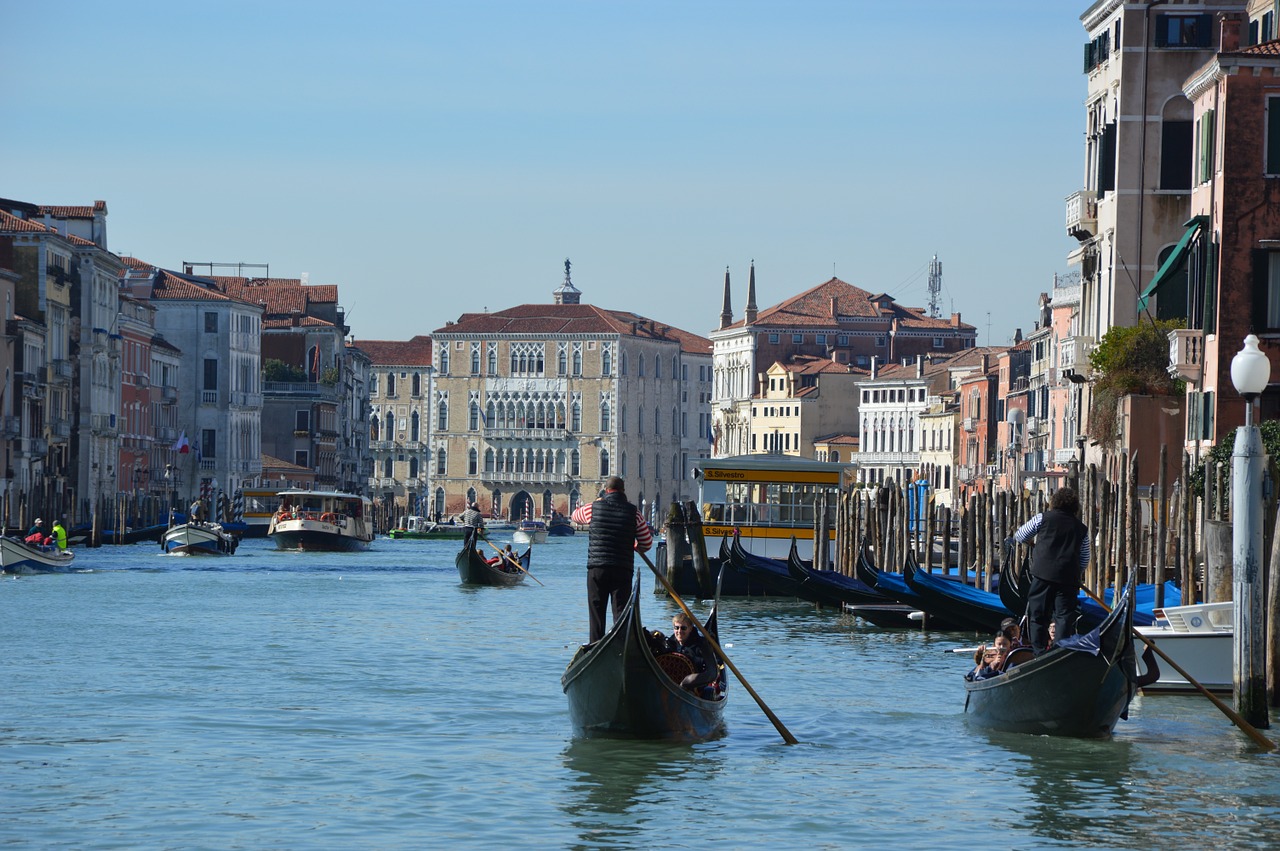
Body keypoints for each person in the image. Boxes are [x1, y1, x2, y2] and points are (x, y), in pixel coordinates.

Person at [570, 476, 653, 643]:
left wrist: (598, 500)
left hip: (597, 568)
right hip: (622, 569)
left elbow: (574, 516)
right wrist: (636, 546)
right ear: (623, 492)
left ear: (606, 491)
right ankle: (620, 647)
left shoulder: (593, 508)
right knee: (621, 614)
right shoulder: (634, 512)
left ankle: (595, 646)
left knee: (596, 614)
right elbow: (647, 542)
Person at [1014, 486, 1090, 654]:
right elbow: (1084, 558)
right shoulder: (1081, 528)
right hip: (1068, 579)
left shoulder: (1043, 518)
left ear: (1054, 502)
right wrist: (1075, 572)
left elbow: (1020, 535)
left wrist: (1033, 544)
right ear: (1074, 507)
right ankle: (1058, 651)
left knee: (1038, 615)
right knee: (1063, 617)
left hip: (1043, 575)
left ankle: (1040, 652)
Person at [651, 612, 720, 697]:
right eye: (676, 628)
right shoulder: (669, 644)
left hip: (693, 688)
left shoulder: (702, 645)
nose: (679, 631)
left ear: (690, 628)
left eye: (683, 628)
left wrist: (686, 683)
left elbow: (712, 674)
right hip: (668, 685)